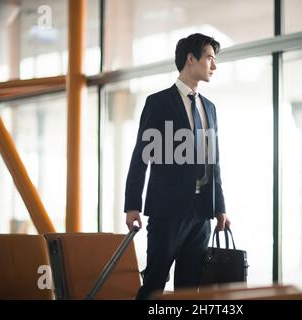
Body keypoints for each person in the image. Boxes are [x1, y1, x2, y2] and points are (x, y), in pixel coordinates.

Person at [124, 33, 230, 300]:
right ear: (191, 58)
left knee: (190, 288)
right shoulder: (158, 103)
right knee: (154, 283)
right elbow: (141, 155)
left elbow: (213, 162)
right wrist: (132, 204)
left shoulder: (210, 108)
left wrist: (220, 208)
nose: (214, 66)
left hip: (201, 212)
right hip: (167, 211)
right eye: (209, 58)